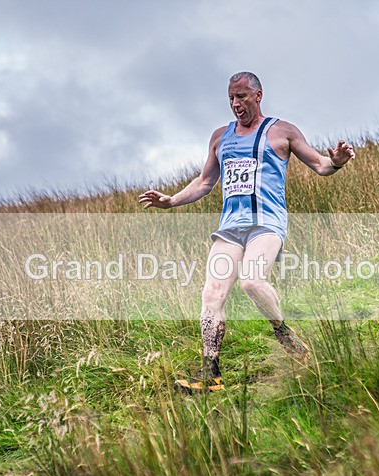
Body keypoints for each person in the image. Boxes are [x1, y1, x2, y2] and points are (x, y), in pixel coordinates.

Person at [139, 71, 355, 393]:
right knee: (211, 294)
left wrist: (336, 162)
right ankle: (211, 374)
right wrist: (171, 201)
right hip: (230, 227)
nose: (235, 103)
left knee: (252, 281)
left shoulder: (283, 131)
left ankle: (283, 333)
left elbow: (321, 165)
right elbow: (204, 182)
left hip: (267, 222)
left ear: (258, 95)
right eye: (230, 98)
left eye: (241, 96)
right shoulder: (219, 137)